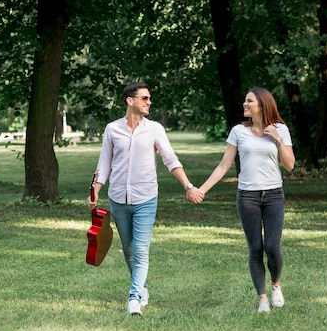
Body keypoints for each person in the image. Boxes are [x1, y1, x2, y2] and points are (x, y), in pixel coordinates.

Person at [88, 82, 204, 316]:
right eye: (144, 98)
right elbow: (105, 163)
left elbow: (170, 159)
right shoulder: (112, 129)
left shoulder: (155, 129)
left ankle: (134, 298)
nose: (149, 102)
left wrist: (188, 186)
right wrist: (96, 190)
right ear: (130, 101)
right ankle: (142, 288)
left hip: (146, 198)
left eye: (149, 98)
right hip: (118, 198)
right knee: (128, 249)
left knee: (140, 249)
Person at [196, 87, 295, 313]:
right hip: (247, 196)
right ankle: (262, 299)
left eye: (249, 101)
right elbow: (224, 165)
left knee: (272, 246)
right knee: (255, 248)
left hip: (273, 195)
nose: (244, 104)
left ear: (262, 104)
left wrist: (278, 140)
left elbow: (289, 165)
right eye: (244, 101)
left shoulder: (280, 129)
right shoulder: (238, 132)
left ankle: (276, 285)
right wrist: (202, 189)